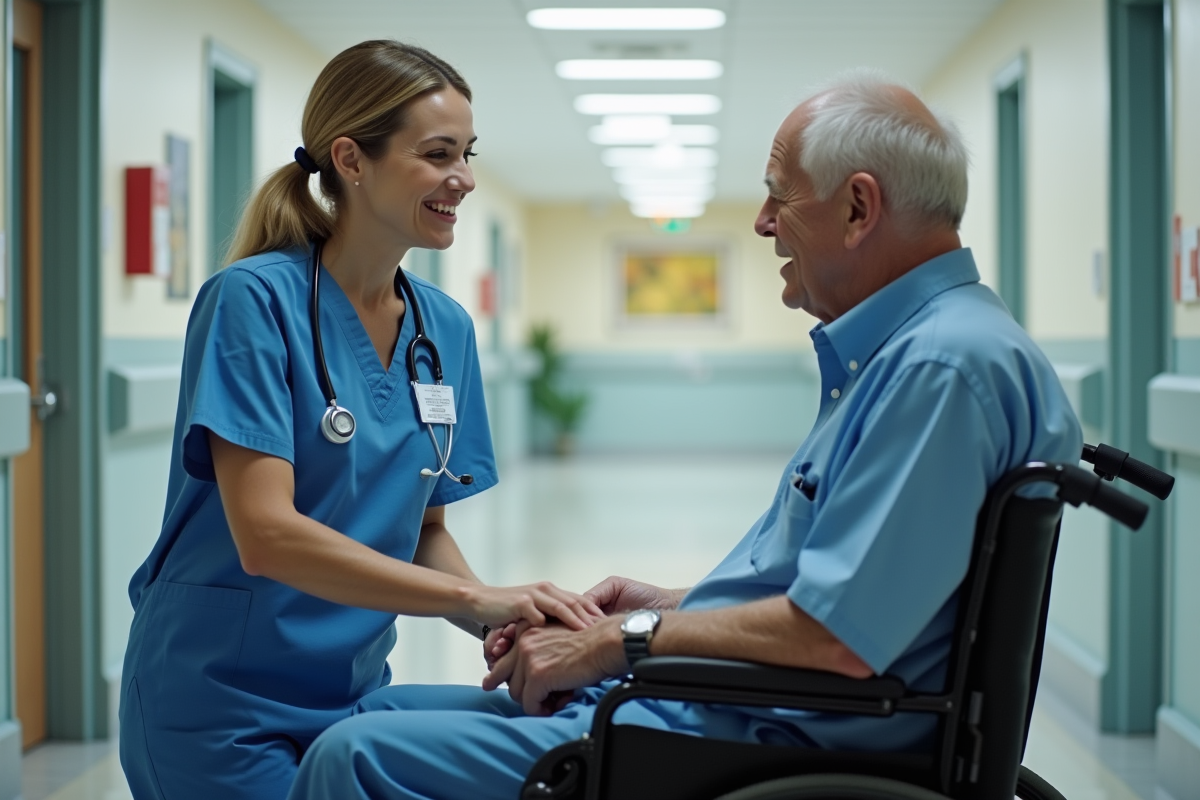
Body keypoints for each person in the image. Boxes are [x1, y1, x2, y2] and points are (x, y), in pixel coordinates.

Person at [286, 73, 1083, 800]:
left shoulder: (939, 368)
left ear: (858, 208)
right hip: (732, 702)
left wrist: (619, 642)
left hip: (756, 736)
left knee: (352, 756)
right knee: (374, 708)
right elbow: (835, 594)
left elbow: (839, 638)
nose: (765, 224)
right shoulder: (926, 353)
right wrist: (666, 605)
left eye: (779, 198)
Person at [118, 40, 600, 800]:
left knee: (559, 742)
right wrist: (477, 600)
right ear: (350, 158)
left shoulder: (443, 331)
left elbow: (424, 530)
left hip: (353, 696)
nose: (464, 179)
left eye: (468, 154)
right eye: (438, 154)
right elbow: (265, 535)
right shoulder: (251, 302)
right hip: (220, 703)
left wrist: (503, 630)